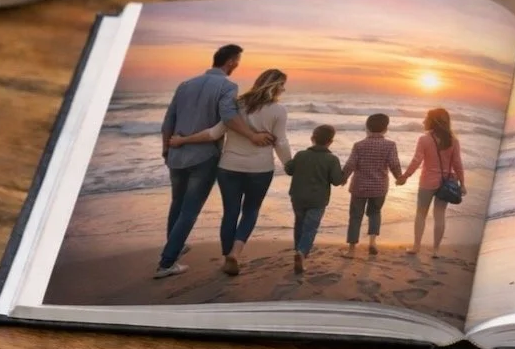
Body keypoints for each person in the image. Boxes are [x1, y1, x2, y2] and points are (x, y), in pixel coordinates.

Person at [155, 44, 273, 279]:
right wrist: (251, 135)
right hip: (204, 156)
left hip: (177, 154)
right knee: (190, 210)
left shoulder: (185, 85)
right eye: (237, 61)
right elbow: (228, 117)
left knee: (177, 204)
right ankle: (167, 263)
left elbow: (169, 120)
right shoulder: (227, 86)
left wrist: (166, 148)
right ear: (230, 62)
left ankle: (174, 247)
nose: (237, 65)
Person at [170, 68, 292, 276]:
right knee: (251, 210)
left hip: (229, 167)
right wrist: (289, 165)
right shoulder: (278, 110)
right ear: (276, 86)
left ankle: (227, 256)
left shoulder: (237, 105)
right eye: (282, 84)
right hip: (260, 169)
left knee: (230, 212)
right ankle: (235, 253)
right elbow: (280, 141)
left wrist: (183, 140)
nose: (283, 88)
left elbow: (213, 133)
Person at [400, 108, 467, 257]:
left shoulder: (424, 139)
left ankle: (416, 247)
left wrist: (406, 176)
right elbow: (457, 164)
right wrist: (462, 184)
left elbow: (417, 160)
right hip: (447, 183)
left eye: (426, 118)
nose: (424, 121)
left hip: (427, 182)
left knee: (421, 214)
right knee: (440, 215)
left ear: (433, 121)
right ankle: (436, 250)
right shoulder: (453, 141)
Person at [284, 124, 346, 274]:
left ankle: (298, 250)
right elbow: (337, 181)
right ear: (330, 142)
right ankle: (302, 253)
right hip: (318, 200)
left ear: (312, 138)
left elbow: (289, 170)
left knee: (299, 223)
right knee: (310, 227)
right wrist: (344, 176)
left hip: (297, 197)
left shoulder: (300, 155)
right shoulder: (332, 159)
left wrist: (287, 160)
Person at [340, 113, 405, 257]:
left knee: (355, 216)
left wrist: (343, 178)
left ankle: (351, 250)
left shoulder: (359, 145)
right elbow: (394, 164)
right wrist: (399, 178)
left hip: (359, 187)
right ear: (385, 129)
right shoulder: (390, 145)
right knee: (375, 213)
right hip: (379, 187)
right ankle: (372, 243)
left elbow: (351, 164)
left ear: (367, 128)